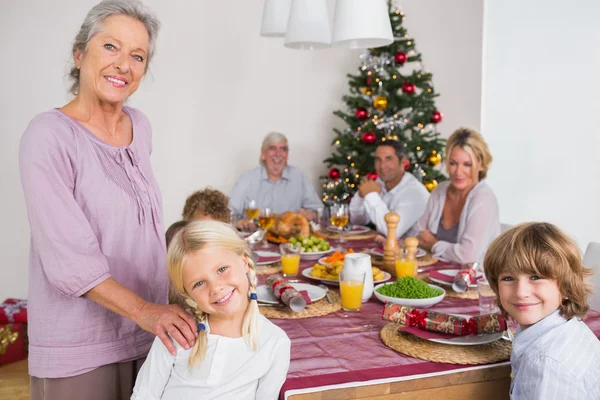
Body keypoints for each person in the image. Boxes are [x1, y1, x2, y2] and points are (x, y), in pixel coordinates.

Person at [19, 1, 196, 398]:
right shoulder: (47, 136)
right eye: (110, 47)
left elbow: (136, 232)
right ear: (79, 53)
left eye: (137, 56)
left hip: (148, 336)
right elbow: (69, 262)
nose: (124, 65)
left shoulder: (141, 126)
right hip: (81, 346)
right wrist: (147, 311)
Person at [131, 221, 291, 399]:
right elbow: (145, 394)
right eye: (199, 283)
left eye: (222, 269)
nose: (215, 288)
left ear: (244, 262)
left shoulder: (274, 342)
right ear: (188, 293)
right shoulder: (177, 330)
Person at [483, 222, 599, 399]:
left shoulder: (547, 365)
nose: (521, 292)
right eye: (508, 278)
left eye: (536, 277)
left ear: (567, 287)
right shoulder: (566, 328)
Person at [407, 128, 500, 264]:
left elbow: (468, 256)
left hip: (472, 281)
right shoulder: (441, 190)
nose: (458, 172)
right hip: (436, 274)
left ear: (481, 165)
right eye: (453, 163)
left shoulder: (483, 198)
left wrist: (434, 244)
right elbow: (416, 234)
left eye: (467, 164)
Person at [229, 132, 322, 231]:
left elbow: (318, 209)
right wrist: (238, 223)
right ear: (263, 154)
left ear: (287, 155)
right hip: (255, 240)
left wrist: (312, 214)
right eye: (272, 148)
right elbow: (228, 214)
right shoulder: (246, 179)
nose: (278, 154)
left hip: (290, 241)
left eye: (283, 149)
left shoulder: (299, 177)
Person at [349, 140, 429, 238]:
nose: (382, 166)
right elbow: (357, 221)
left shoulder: (414, 193)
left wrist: (371, 195)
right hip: (385, 249)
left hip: (413, 252)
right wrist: (361, 196)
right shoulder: (381, 182)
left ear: (403, 162)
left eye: (389, 159)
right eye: (378, 160)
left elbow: (392, 232)